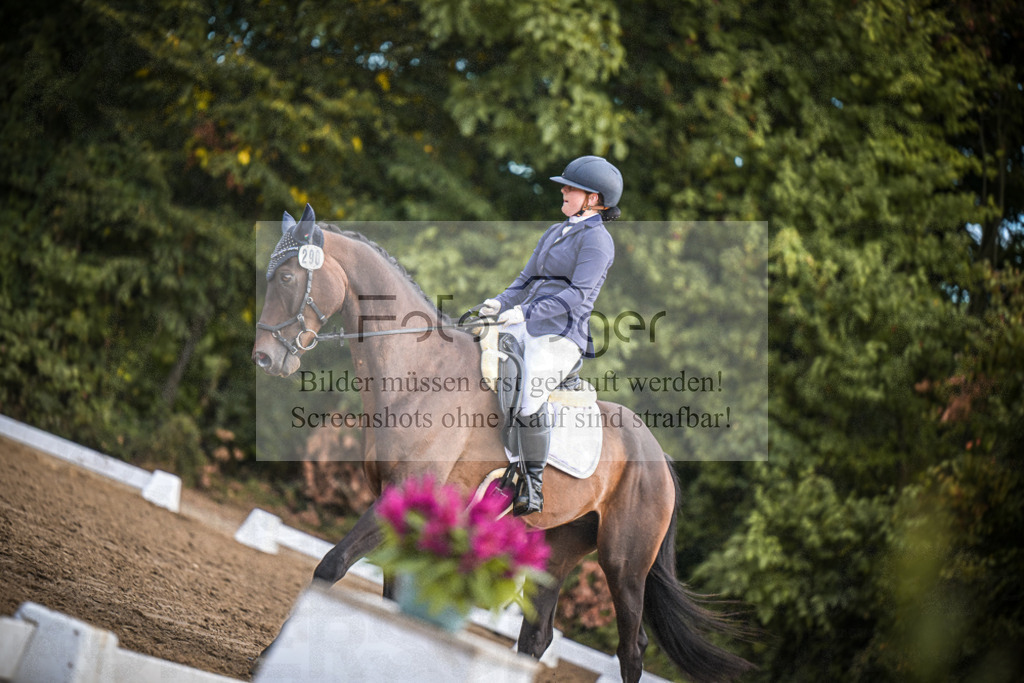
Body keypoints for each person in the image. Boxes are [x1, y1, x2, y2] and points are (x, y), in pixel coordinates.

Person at [480, 155, 622, 515]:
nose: (563, 190)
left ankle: (531, 484)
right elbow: (525, 279)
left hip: (561, 336)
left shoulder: (599, 242)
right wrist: (499, 303)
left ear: (594, 199)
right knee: (477, 355)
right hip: (524, 321)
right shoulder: (555, 231)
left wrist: (525, 312)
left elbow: (576, 296)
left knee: (529, 396)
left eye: (571, 187)